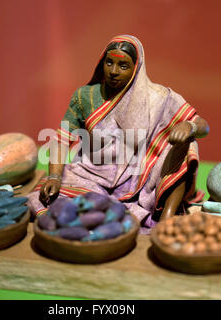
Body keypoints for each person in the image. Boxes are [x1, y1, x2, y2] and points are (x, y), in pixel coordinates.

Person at [27, 35, 209, 234]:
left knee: (188, 143)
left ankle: (167, 216)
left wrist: (189, 127)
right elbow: (61, 139)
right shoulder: (84, 96)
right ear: (101, 62)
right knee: (40, 199)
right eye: (109, 62)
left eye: (123, 66)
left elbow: (203, 126)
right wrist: (54, 176)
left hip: (139, 179)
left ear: (137, 68)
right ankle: (109, 217)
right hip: (90, 176)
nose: (113, 71)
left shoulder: (159, 98)